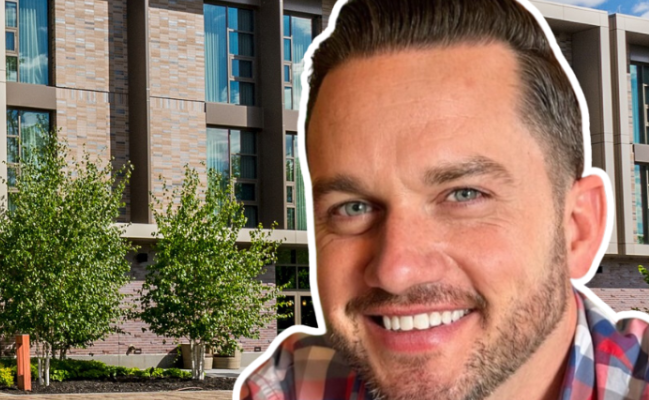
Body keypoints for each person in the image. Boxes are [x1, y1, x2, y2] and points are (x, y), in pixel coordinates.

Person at [236, 0, 647, 399]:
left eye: (463, 194)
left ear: (578, 228)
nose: (396, 270)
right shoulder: (295, 387)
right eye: (352, 207)